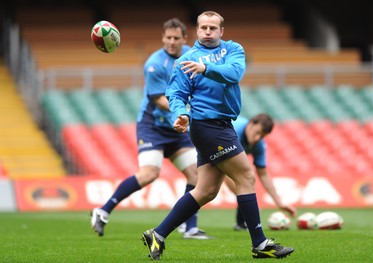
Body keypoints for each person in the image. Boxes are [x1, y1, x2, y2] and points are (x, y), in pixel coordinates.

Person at [142, 11, 294, 260]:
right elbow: (176, 94)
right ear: (197, 31)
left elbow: (234, 74)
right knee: (246, 175)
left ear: (222, 31)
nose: (208, 31)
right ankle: (260, 243)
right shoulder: (187, 60)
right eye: (203, 28)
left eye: (213, 27)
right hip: (208, 126)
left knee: (206, 190)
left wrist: (205, 68)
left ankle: (157, 234)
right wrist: (179, 114)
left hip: (221, 125)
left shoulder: (233, 49)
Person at [90, 18, 209, 240]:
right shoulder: (154, 64)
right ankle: (103, 210)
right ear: (163, 38)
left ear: (184, 39)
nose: (171, 42)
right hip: (153, 126)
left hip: (177, 127)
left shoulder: (192, 55)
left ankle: (189, 228)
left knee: (197, 174)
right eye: (168, 38)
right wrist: (187, 112)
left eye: (176, 38)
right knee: (149, 174)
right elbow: (160, 101)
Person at [226, 113, 297, 231]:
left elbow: (263, 174)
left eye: (262, 136)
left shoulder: (259, 145)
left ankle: (242, 223)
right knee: (201, 184)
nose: (258, 138)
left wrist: (279, 202)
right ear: (251, 124)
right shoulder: (233, 131)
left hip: (215, 155)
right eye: (257, 133)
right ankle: (188, 225)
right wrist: (248, 200)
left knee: (246, 183)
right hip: (193, 138)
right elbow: (223, 171)